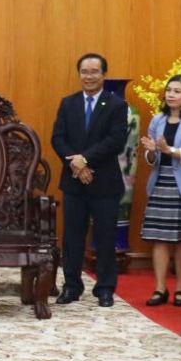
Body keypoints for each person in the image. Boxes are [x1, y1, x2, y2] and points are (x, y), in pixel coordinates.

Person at [50, 53, 130, 308]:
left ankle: (105, 289)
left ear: (103, 74)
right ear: (79, 74)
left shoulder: (116, 105)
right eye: (84, 71)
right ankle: (72, 286)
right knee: (72, 239)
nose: (89, 76)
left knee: (105, 238)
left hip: (104, 182)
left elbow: (115, 141)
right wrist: (76, 164)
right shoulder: (68, 103)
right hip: (74, 182)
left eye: (94, 71)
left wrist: (85, 159)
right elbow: (58, 139)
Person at [137, 74, 181, 308]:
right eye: (168, 90)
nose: (171, 95)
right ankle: (160, 288)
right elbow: (153, 158)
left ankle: (180, 289)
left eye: (177, 91)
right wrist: (150, 151)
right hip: (161, 183)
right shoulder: (157, 119)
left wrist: (170, 150)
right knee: (160, 238)